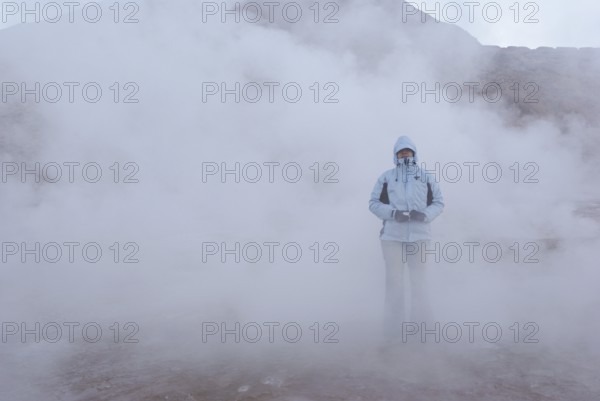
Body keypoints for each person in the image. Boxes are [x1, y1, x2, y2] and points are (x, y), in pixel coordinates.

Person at [369, 135, 444, 342]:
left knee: (419, 282)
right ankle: (393, 332)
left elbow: (439, 202)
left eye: (408, 151)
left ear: (414, 153)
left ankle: (422, 331)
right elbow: (373, 203)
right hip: (392, 237)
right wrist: (393, 214)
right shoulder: (386, 177)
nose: (404, 154)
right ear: (395, 155)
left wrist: (425, 215)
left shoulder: (426, 177)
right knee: (395, 282)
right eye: (401, 151)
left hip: (419, 237)